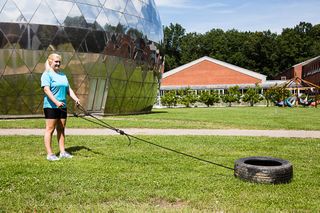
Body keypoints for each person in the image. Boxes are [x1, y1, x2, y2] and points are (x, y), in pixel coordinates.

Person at [41, 53, 80, 161]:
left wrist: (76, 99)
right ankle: (50, 154)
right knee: (50, 129)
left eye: (59, 62)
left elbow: (68, 90)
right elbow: (46, 90)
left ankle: (62, 152)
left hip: (62, 106)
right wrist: (56, 102)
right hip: (51, 106)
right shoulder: (46, 74)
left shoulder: (63, 75)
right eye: (56, 61)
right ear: (50, 62)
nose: (58, 63)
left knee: (61, 129)